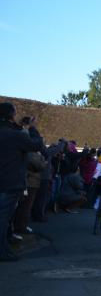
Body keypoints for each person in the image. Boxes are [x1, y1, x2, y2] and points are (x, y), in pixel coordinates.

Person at [0, 104, 44, 261]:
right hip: (10, 182)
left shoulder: (8, 132)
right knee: (3, 218)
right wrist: (32, 128)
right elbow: (37, 145)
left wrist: (18, 125)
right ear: (11, 116)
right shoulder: (15, 136)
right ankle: (2, 251)